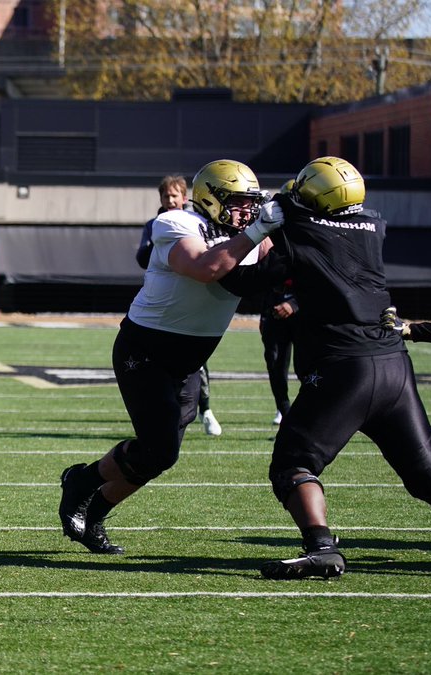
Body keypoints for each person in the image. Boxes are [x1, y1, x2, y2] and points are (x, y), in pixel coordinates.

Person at [257, 157, 431, 579]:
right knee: (429, 475)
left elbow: (259, 273)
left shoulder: (298, 227)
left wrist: (268, 219)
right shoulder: (373, 225)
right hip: (393, 362)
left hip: (343, 368)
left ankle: (321, 547)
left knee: (293, 465)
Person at [58, 159, 274, 555]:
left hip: (189, 359)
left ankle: (94, 513)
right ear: (210, 199)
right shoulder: (178, 222)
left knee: (158, 457)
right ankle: (81, 483)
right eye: (239, 203)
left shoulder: (252, 235)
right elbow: (205, 267)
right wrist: (261, 230)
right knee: (160, 448)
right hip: (146, 349)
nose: (248, 211)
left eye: (252, 203)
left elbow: (277, 268)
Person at [135, 176, 222, 436]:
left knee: (195, 361)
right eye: (166, 196)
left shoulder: (198, 222)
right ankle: (163, 416)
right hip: (165, 299)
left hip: (192, 298)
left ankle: (206, 409)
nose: (170, 200)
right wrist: (164, 251)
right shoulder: (155, 225)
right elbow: (141, 257)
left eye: (175, 196)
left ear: (185, 197)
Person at [259, 181, 300, 426]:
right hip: (273, 306)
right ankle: (285, 411)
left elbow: (321, 281)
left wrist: (294, 303)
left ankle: (309, 415)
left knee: (309, 366)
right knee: (275, 362)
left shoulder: (314, 234)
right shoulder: (275, 231)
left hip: (303, 311)